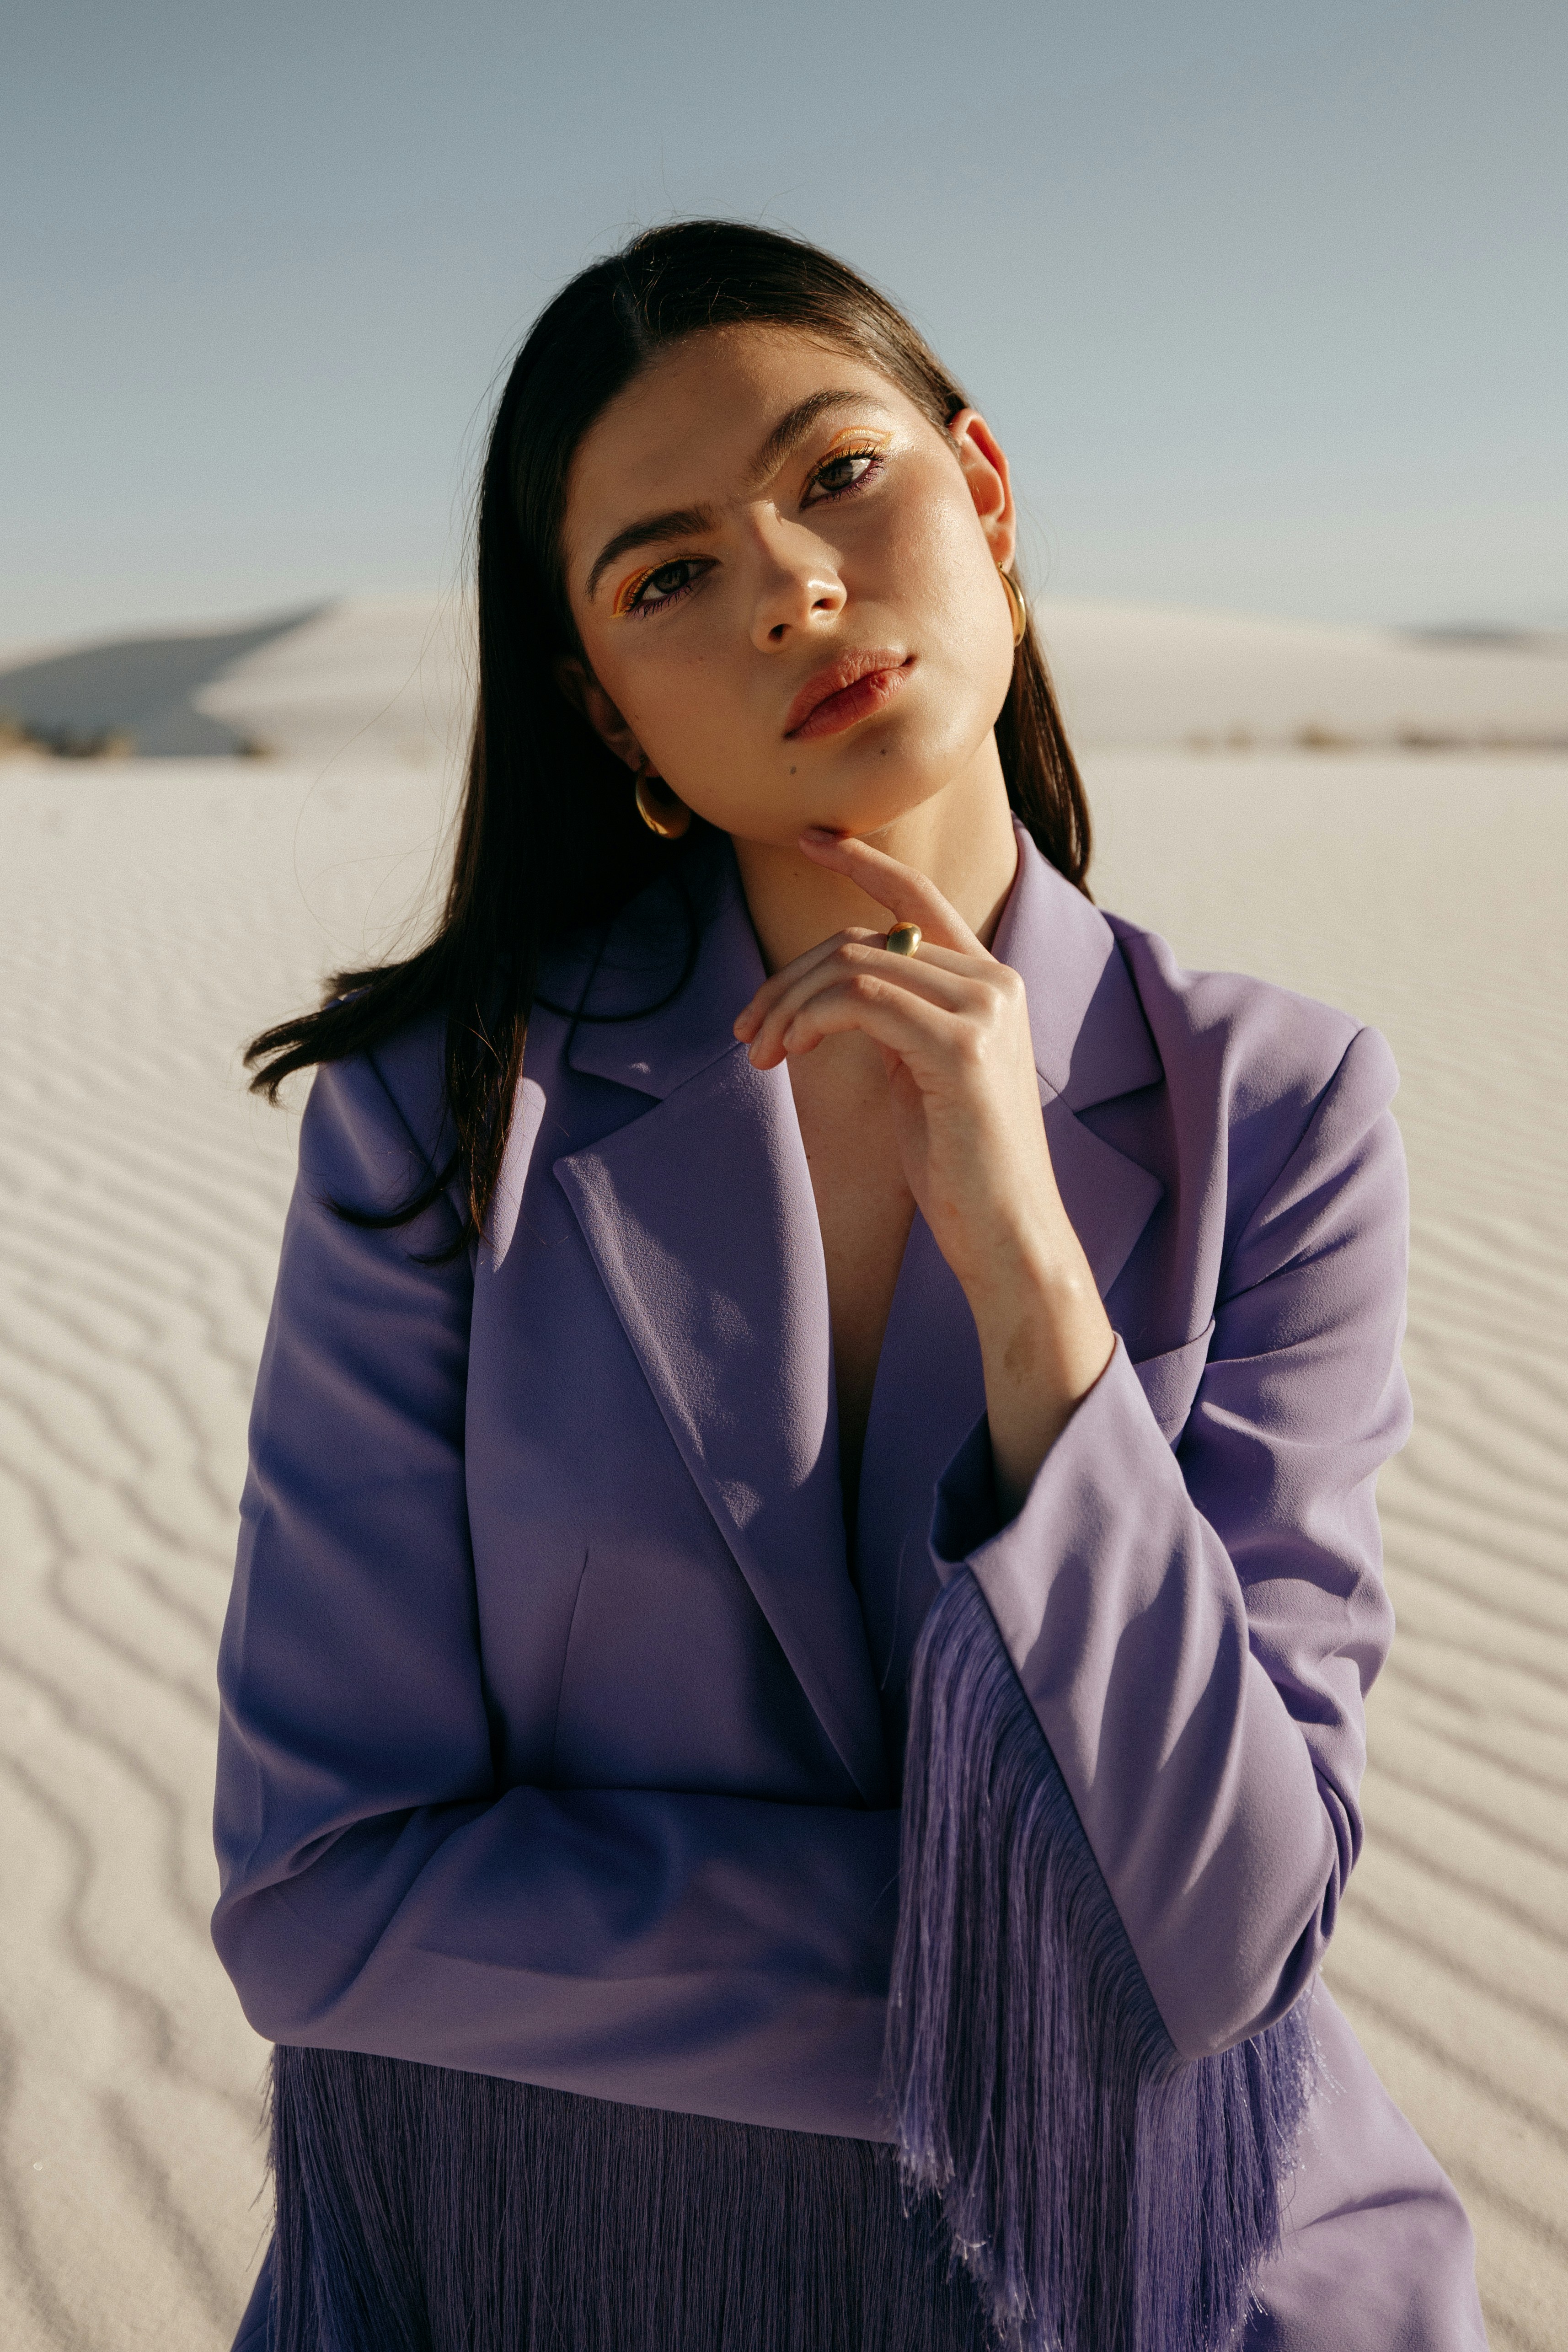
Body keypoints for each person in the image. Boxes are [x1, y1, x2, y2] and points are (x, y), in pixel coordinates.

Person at [213, 221, 1488, 2351]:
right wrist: (1056, 2002)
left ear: (983, 499)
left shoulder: (1282, 1106)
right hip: (549, 2273)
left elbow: (1243, 1916)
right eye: (668, 573)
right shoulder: (438, 1120)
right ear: (598, 696)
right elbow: (322, 1901)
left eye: (837, 476)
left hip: (1179, 2294)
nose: (793, 584)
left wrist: (1030, 1282)